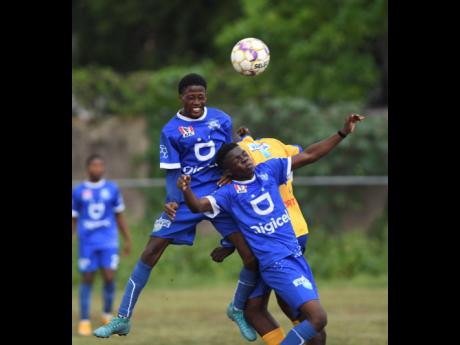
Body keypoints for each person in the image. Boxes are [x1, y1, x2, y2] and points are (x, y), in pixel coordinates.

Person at [94, 73, 259, 340]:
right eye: (191, 97)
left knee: (250, 255)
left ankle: (237, 308)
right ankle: (122, 318)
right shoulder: (170, 130)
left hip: (218, 195)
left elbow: (227, 153)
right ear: (181, 97)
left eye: (201, 96)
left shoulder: (221, 119)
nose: (196, 101)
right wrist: (172, 200)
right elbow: (172, 172)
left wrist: (236, 156)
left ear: (206, 96)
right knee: (150, 252)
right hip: (186, 196)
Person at [177, 114, 364, 345]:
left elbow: (309, 155)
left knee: (310, 322)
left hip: (295, 255)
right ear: (228, 172)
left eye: (244, 155)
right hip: (276, 263)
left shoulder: (270, 170)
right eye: (237, 160)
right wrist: (185, 189)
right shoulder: (229, 193)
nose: (244, 159)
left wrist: (342, 132)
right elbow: (198, 206)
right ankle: (239, 309)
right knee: (317, 318)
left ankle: (243, 311)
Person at [72, 154, 132, 336]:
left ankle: (106, 313)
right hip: (87, 242)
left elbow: (119, 215)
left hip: (108, 240)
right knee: (87, 278)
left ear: (104, 168)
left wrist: (127, 239)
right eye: (94, 166)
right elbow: (74, 219)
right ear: (88, 168)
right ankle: (84, 320)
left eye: (100, 166)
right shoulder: (78, 191)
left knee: (108, 277)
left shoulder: (112, 189)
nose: (97, 169)